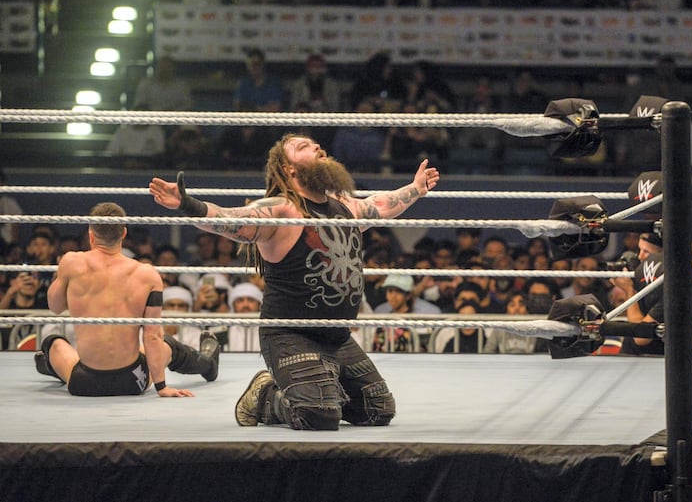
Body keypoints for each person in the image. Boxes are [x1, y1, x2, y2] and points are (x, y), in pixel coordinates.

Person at [149, 132, 439, 430]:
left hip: (336, 337)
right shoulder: (282, 209)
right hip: (289, 335)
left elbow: (383, 205)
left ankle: (317, 387)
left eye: (314, 143)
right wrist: (187, 203)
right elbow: (230, 219)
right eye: (303, 147)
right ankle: (264, 396)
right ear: (289, 169)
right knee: (319, 415)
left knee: (378, 411)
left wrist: (415, 189)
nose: (317, 146)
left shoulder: (345, 207)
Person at [33, 202, 220, 397]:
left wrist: (62, 274)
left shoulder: (72, 262)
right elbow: (152, 336)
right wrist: (161, 387)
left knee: (53, 343)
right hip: (132, 380)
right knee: (168, 344)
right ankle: (209, 365)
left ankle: (51, 366)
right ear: (123, 233)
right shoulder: (146, 274)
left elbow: (55, 307)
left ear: (90, 234)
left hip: (83, 383)